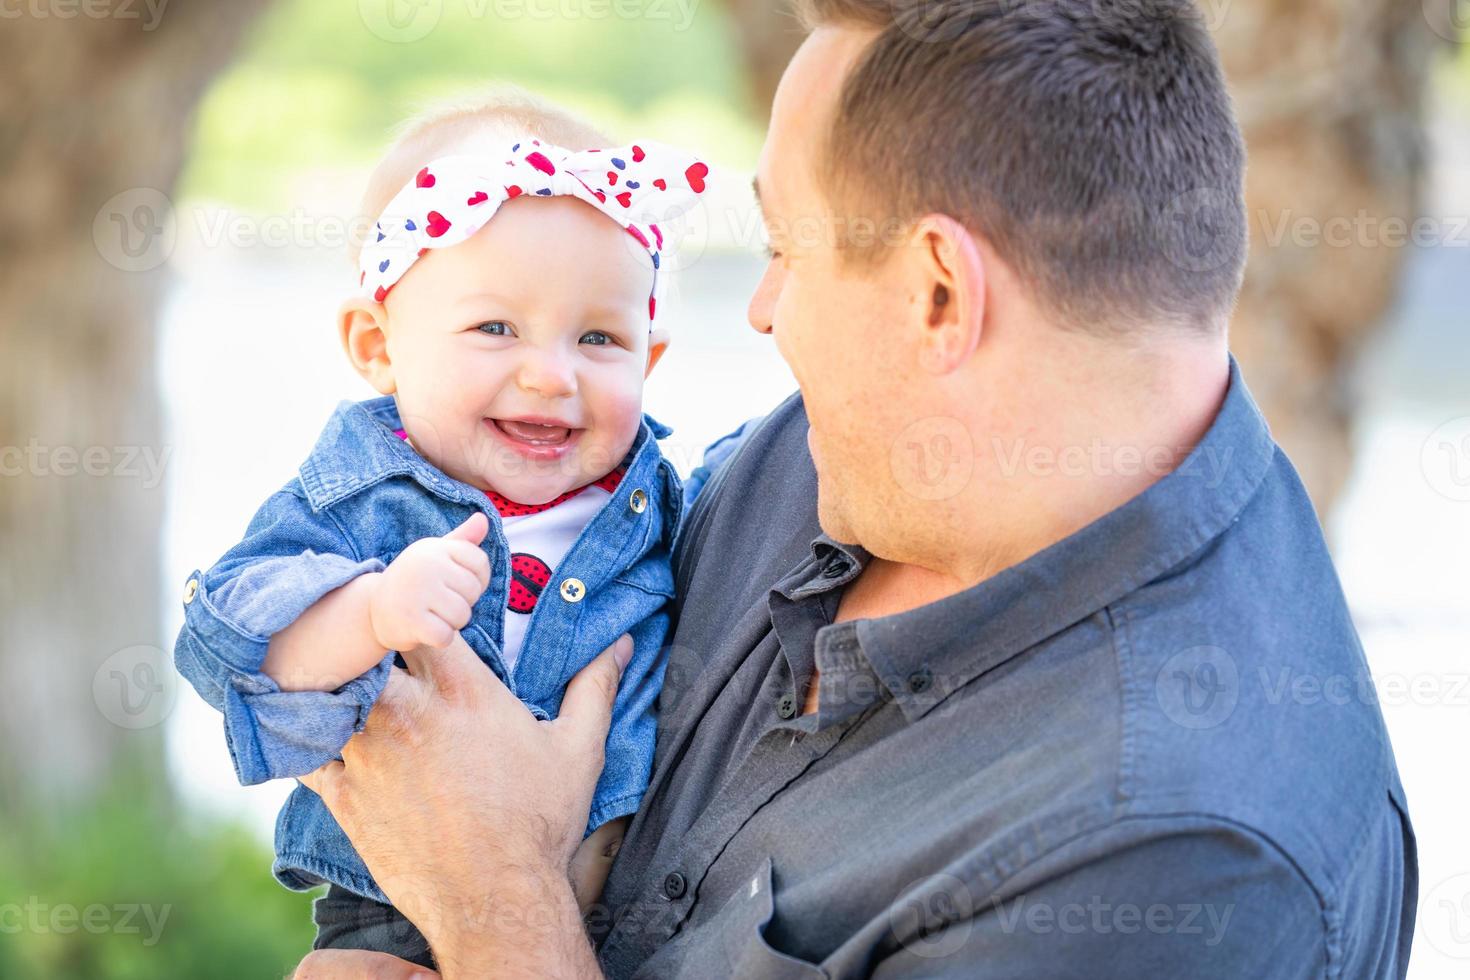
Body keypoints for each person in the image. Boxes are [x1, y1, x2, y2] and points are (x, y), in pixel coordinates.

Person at [292, 2, 1417, 977]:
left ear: (940, 296)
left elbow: (481, 839)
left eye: (788, 246)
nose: (763, 308)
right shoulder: (845, 451)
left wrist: (491, 886)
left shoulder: (1173, 858)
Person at [172, 88, 711, 967]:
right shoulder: (364, 491)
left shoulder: (657, 495)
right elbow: (230, 639)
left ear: (650, 358)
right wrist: (369, 613)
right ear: (378, 345)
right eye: (496, 327)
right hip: (392, 908)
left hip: (626, 916)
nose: (550, 376)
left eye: (600, 339)